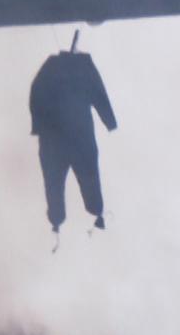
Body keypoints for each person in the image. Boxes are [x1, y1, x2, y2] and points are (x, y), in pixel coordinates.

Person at [29, 41, 117, 237]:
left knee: (54, 182)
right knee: (87, 176)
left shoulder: (51, 65)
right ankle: (94, 213)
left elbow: (36, 92)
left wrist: (39, 125)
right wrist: (109, 121)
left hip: (53, 137)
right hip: (79, 135)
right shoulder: (84, 65)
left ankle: (58, 220)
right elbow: (99, 93)